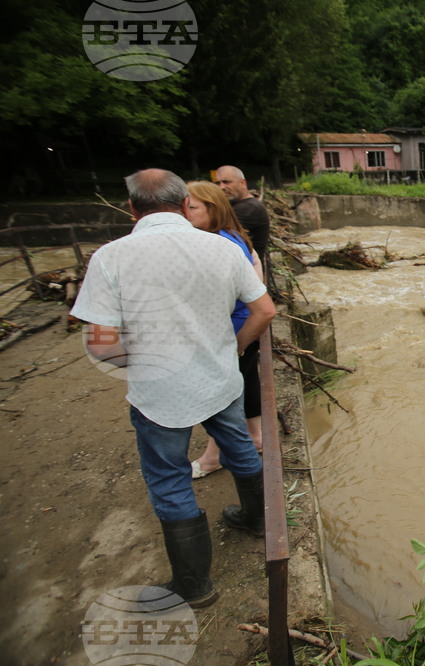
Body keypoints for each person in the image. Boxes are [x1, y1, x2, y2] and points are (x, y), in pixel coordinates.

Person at [70, 169, 276, 608]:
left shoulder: (111, 257)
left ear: (131, 208)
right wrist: (234, 349)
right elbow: (264, 309)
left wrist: (138, 370)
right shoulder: (222, 248)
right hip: (220, 376)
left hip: (159, 390)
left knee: (169, 477)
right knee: (239, 443)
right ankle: (257, 520)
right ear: (185, 204)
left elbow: (101, 339)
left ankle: (195, 586)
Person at [185, 181, 263, 478]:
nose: (185, 213)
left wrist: (237, 341)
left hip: (236, 328)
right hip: (246, 326)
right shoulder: (231, 235)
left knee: (221, 397)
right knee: (246, 381)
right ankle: (256, 436)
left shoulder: (219, 243)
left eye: (192, 207)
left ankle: (212, 457)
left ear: (213, 209)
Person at [214, 165, 270, 276]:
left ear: (243, 183)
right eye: (218, 183)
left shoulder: (248, 208)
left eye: (226, 182)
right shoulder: (237, 206)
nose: (222, 187)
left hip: (249, 275)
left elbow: (216, 236)